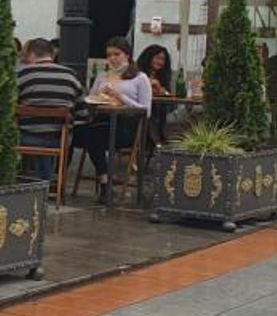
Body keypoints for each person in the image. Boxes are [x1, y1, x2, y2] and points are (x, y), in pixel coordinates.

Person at [73, 36, 152, 205]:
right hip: (102, 119)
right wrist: (95, 99)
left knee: (93, 135)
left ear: (127, 55)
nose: (113, 58)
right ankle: (103, 179)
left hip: (127, 125)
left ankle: (105, 183)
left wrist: (120, 97)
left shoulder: (139, 78)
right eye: (109, 55)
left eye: (117, 54)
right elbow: (92, 98)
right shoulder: (103, 76)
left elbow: (146, 110)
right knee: (76, 133)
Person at [16, 38, 85, 181]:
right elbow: (82, 112)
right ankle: (47, 184)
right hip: (59, 139)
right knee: (53, 134)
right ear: (52, 55)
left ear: (30, 54)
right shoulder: (70, 75)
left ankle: (35, 183)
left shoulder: (21, 75)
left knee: (35, 135)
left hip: (26, 137)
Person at [138, 44, 174, 143]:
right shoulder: (138, 73)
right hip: (138, 111)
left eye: (163, 60)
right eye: (157, 58)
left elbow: (168, 94)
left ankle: (157, 139)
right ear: (149, 57)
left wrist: (163, 91)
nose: (160, 62)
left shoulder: (163, 76)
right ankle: (156, 140)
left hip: (158, 110)